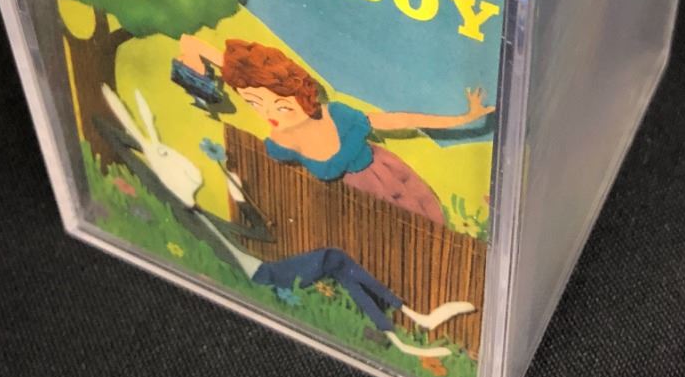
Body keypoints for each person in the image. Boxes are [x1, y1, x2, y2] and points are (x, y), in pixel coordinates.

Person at [98, 86, 474, 359]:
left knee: (339, 263)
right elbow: (138, 166)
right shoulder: (186, 217)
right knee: (336, 261)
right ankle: (404, 326)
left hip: (265, 267)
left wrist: (240, 197)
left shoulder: (202, 215)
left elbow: (258, 233)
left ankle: (404, 323)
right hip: (260, 277)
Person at [175, 33, 493, 224]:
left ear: (301, 95)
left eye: (281, 106)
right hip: (348, 207)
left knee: (427, 225)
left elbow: (400, 120)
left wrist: (462, 119)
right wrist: (194, 70)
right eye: (255, 104)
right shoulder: (279, 141)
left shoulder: (337, 115)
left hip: (389, 181)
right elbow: (196, 45)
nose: (269, 114)